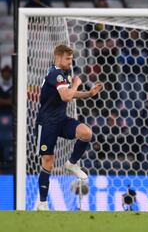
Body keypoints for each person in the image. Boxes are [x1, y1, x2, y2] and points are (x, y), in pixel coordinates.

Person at [36, 44, 103, 210]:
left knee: (86, 133)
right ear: (58, 57)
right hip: (47, 123)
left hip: (61, 120)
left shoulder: (62, 74)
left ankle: (72, 163)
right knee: (48, 162)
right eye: (67, 58)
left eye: (71, 59)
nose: (70, 62)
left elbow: (68, 93)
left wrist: (89, 94)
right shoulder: (55, 74)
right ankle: (43, 203)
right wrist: (77, 84)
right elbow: (67, 96)